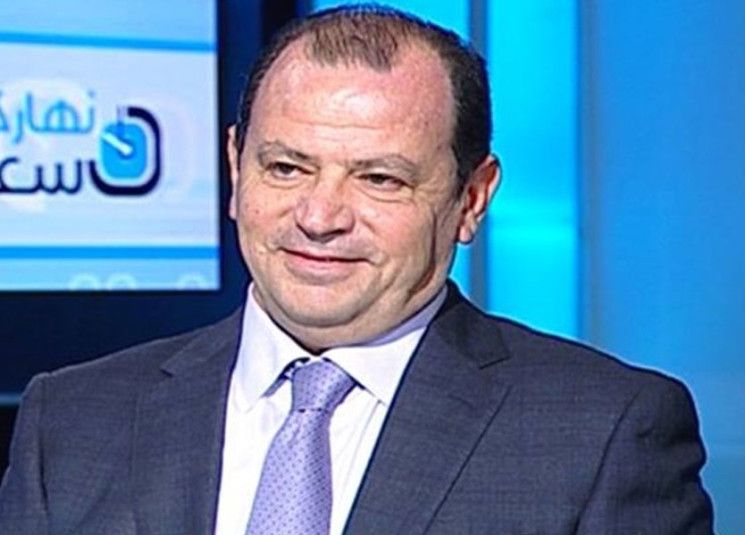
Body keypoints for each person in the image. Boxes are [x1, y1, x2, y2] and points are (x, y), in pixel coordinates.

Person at [0, 5, 713, 534]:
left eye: (379, 179)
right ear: (235, 168)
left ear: (471, 198)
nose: (319, 216)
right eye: (286, 167)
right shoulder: (72, 419)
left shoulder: (604, 434)